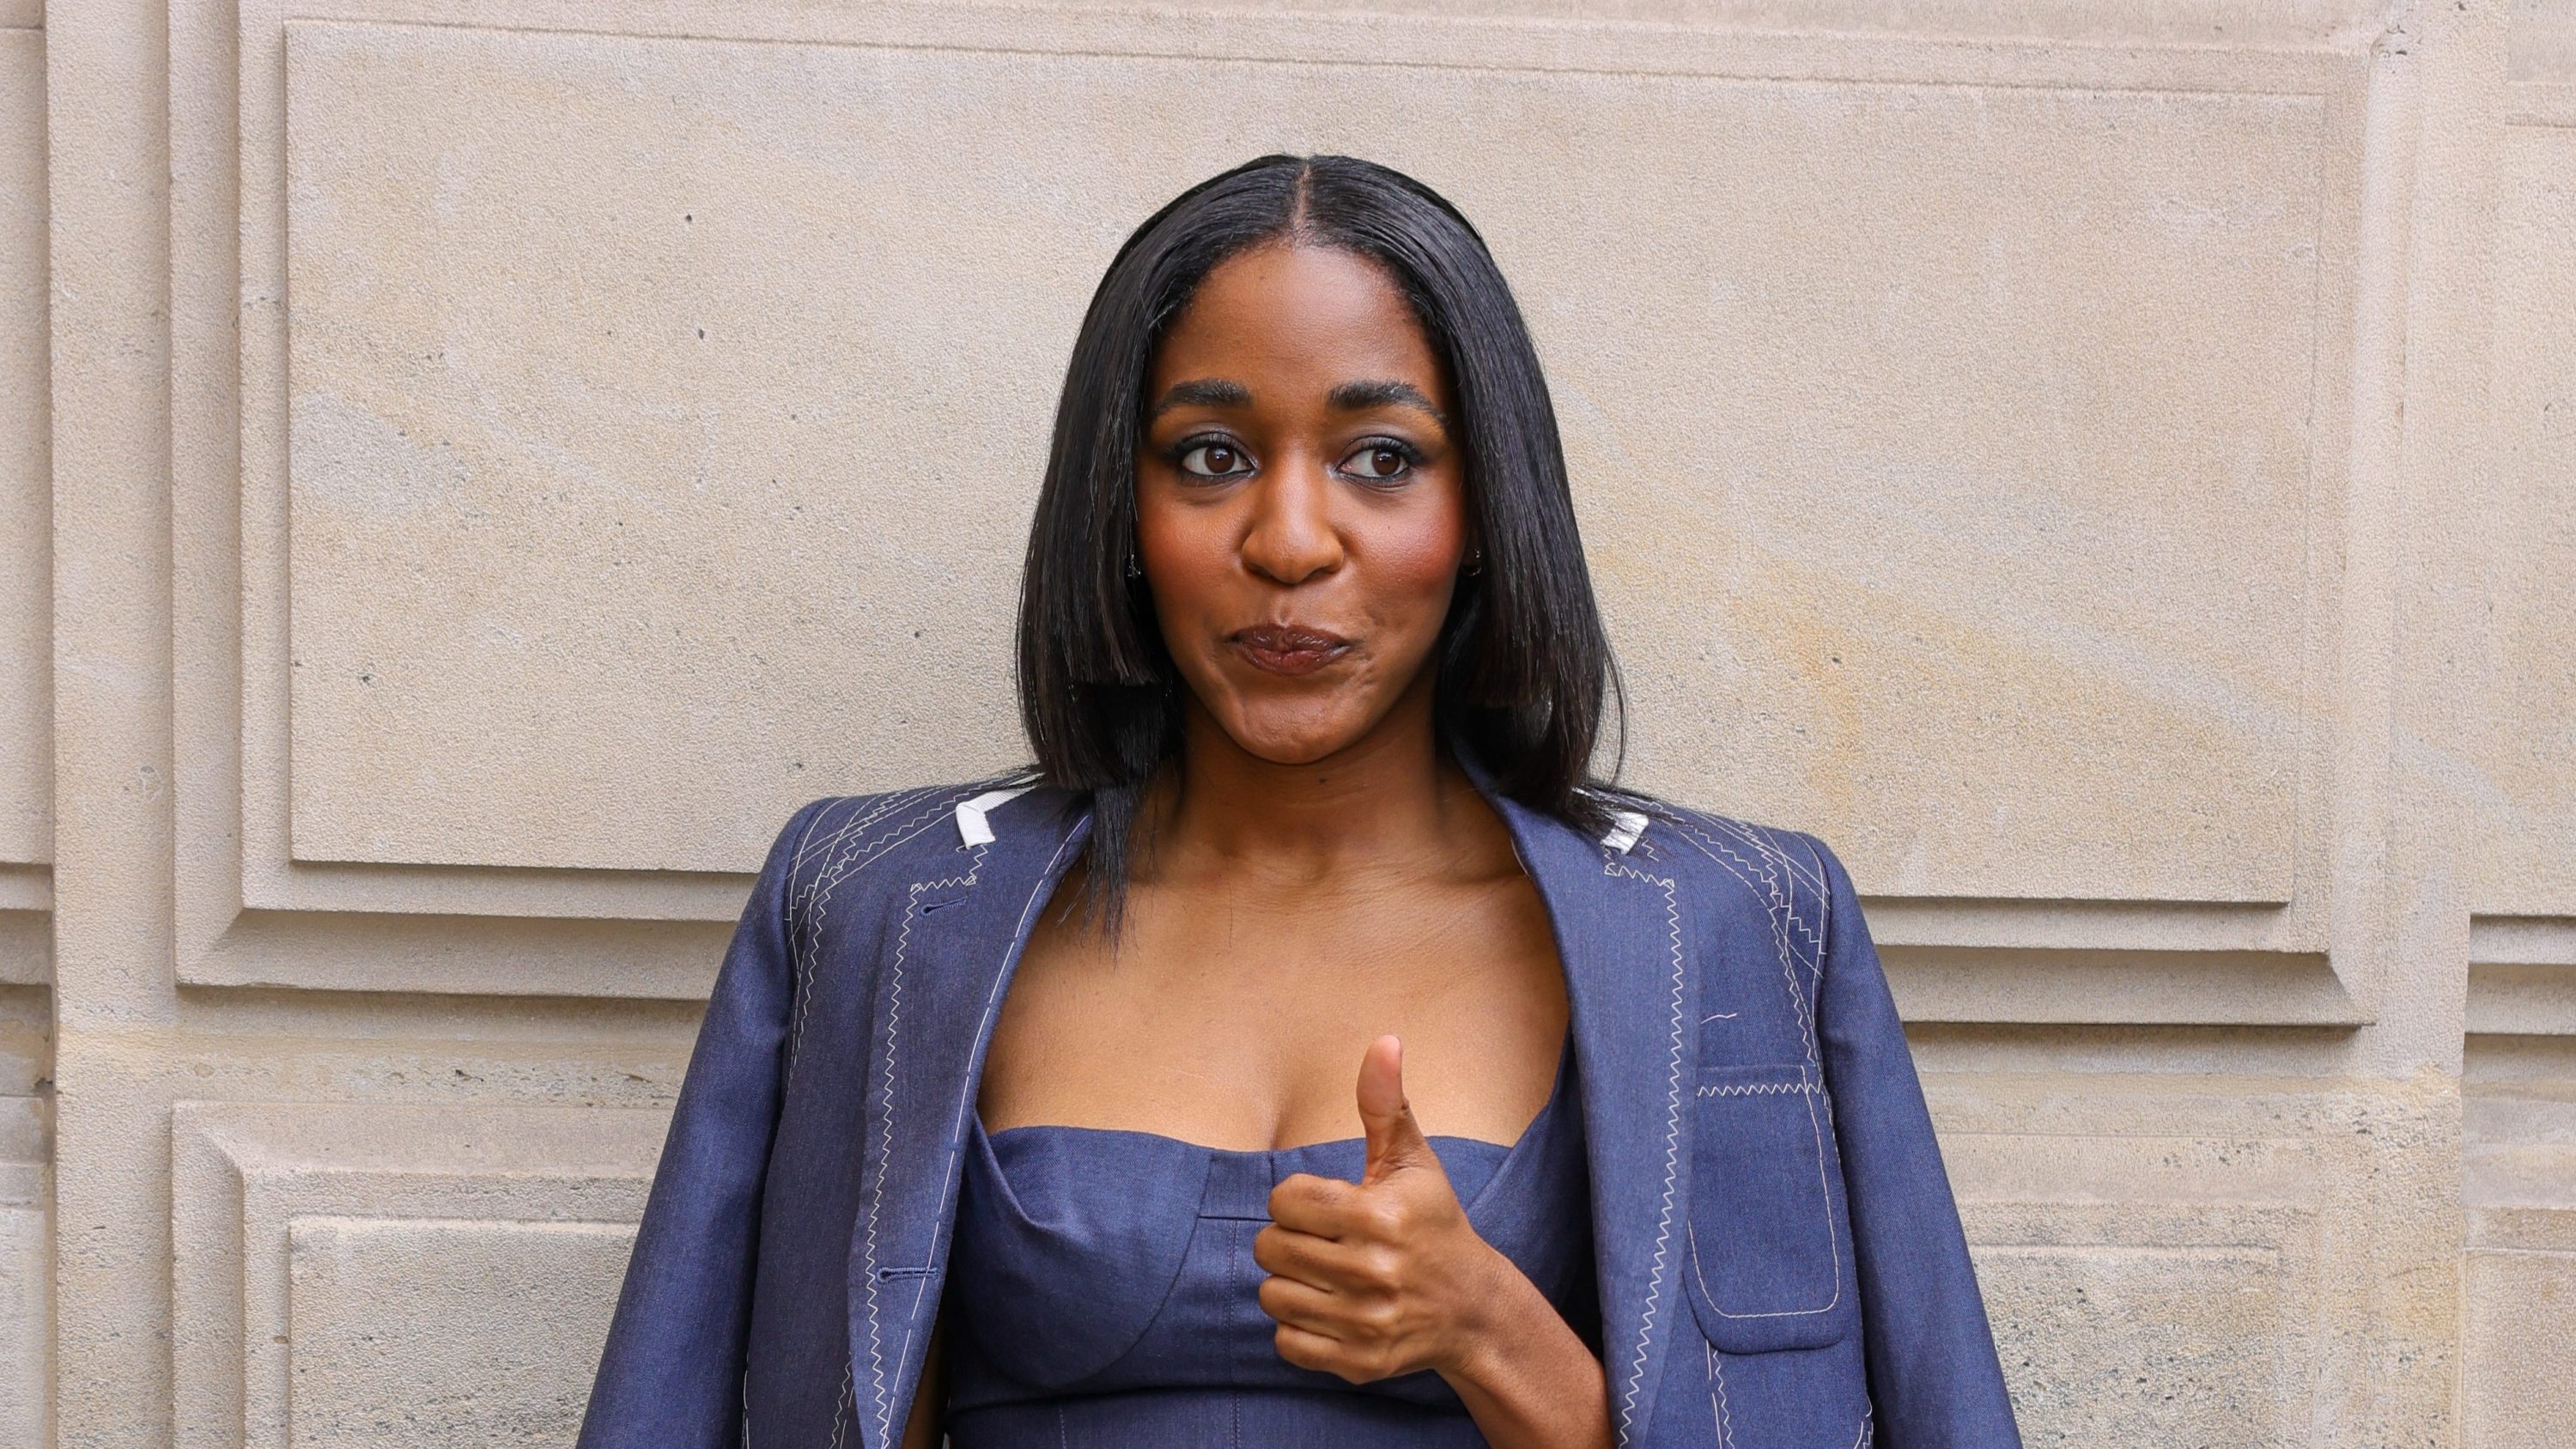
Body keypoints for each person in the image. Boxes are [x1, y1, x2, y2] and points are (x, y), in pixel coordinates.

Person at [577, 153, 2021, 1449]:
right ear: (1123, 512)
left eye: (1380, 460)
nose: (1287, 541)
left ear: (1482, 513)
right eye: (1210, 457)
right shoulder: (875, 905)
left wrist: (1489, 1329)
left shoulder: (1739, 924)